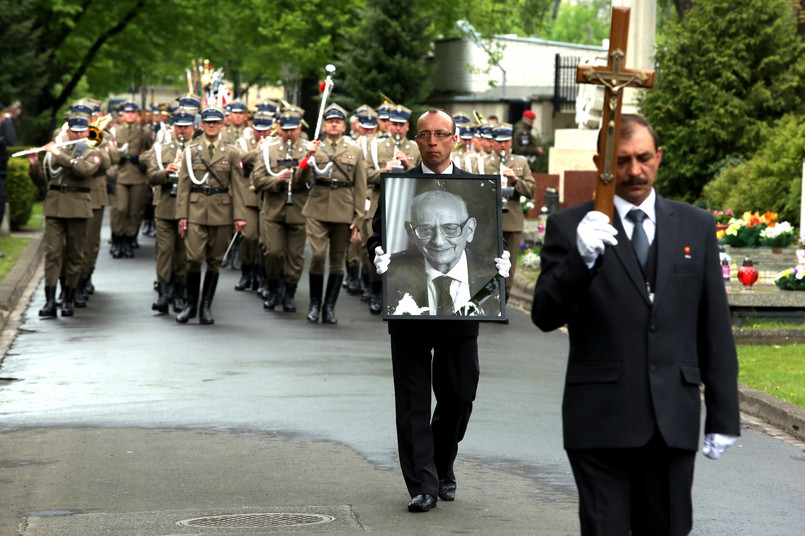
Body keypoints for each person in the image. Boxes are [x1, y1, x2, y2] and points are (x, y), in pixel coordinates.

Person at [531, 114, 740, 535]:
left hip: (672, 420)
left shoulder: (695, 226)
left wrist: (723, 414)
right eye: (622, 161)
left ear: (658, 157)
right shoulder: (570, 227)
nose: (634, 171)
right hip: (600, 420)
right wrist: (580, 260)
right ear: (601, 164)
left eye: (643, 158)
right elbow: (545, 315)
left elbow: (713, 326)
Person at [367, 108, 511, 513]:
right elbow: (379, 234)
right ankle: (423, 483)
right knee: (412, 398)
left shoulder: (476, 187)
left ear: (455, 139)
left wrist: (500, 267)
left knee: (460, 394)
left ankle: (442, 464)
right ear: (415, 140)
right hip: (410, 303)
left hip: (461, 307)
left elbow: (490, 243)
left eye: (441, 134)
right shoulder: (399, 187)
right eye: (425, 134)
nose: (432, 141)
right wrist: (379, 257)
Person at [175, 104, 248, 325]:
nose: (212, 126)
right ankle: (191, 305)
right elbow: (183, 186)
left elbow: (238, 186)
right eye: (208, 123)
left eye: (216, 122)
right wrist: (182, 215)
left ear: (222, 124)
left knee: (215, 260)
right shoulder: (191, 151)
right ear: (202, 125)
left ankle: (206, 306)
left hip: (222, 210)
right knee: (194, 258)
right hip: (196, 209)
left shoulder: (232, 153)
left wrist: (239, 215)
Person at [27, 114, 104, 317]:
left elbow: (84, 170)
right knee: (53, 254)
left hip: (79, 206)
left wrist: (58, 155)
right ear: (67, 131)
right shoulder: (56, 152)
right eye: (74, 131)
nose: (78, 134)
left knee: (75, 254)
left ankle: (69, 296)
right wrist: (34, 165)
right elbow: (44, 181)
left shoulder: (93, 152)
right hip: (54, 206)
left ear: (87, 132)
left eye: (82, 131)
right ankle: (50, 301)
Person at [300, 103, 367, 325]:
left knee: (338, 261)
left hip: (344, 210)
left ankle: (329, 308)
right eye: (330, 121)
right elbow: (300, 182)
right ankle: (314, 305)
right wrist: (307, 160)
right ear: (325, 125)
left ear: (344, 125)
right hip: (317, 207)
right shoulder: (314, 148)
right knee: (318, 256)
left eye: (338, 121)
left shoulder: (355, 151)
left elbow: (360, 187)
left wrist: (358, 219)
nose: (334, 124)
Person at [384, 190, 501, 317]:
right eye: (426, 230)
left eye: (450, 228)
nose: (438, 242)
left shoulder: (494, 272)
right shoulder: (391, 272)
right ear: (410, 233)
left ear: (470, 230)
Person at [251, 106, 310, 313]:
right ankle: (273, 287)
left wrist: (303, 170)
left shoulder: (308, 149)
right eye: (285, 129)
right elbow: (257, 179)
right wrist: (276, 180)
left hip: (299, 210)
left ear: (300, 127)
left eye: (293, 129)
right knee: (274, 252)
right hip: (274, 209)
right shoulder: (269, 149)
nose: (289, 133)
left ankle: (289, 292)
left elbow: (315, 180)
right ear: (277, 128)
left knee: (295, 255)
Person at [144, 107, 194, 314]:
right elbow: (151, 176)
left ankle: (181, 293)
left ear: (193, 127)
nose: (182, 131)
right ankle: (164, 293)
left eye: (186, 127)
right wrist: (167, 171)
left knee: (183, 253)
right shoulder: (160, 149)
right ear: (173, 127)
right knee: (165, 252)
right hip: (165, 206)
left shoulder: (197, 149)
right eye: (178, 127)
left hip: (190, 208)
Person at [481, 123, 536, 298]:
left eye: (506, 142)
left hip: (512, 219)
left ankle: (505, 297)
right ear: (492, 143)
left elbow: (531, 191)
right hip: (489, 219)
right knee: (487, 261)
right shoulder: (483, 163)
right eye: (498, 142)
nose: (502, 146)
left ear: (511, 142)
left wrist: (514, 180)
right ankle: (488, 298)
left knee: (509, 263)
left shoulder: (520, 163)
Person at [108, 101, 153, 258]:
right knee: (120, 208)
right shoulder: (114, 132)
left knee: (135, 210)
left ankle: (129, 239)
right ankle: (117, 239)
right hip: (120, 174)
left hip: (138, 175)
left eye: (133, 113)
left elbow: (151, 151)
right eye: (127, 113)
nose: (130, 115)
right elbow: (108, 152)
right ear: (122, 115)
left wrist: (140, 159)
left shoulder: (144, 132)